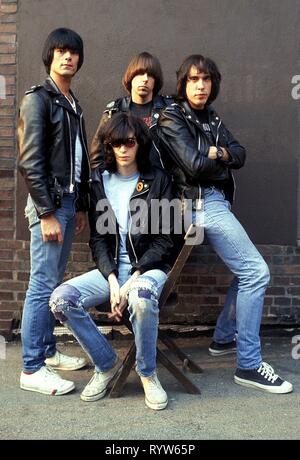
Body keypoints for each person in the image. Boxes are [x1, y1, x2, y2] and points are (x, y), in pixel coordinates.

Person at [157, 54, 293, 394]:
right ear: (183, 83)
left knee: (246, 272)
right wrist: (219, 156)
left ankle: (223, 337)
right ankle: (249, 365)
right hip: (197, 203)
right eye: (193, 80)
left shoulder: (212, 118)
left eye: (206, 80)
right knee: (256, 273)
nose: (200, 86)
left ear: (213, 84)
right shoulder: (172, 116)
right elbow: (193, 166)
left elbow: (241, 153)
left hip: (214, 201)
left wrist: (218, 154)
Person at [49, 112, 174, 410]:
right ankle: (106, 363)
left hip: (148, 270)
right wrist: (113, 280)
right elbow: (100, 240)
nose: (123, 148)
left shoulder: (158, 181)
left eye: (129, 141)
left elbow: (166, 240)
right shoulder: (99, 182)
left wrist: (132, 279)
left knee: (141, 297)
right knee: (61, 299)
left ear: (139, 144)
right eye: (116, 142)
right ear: (109, 145)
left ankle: (147, 373)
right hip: (113, 273)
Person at [18, 28, 91, 396]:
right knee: (42, 284)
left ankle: (47, 352)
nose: (68, 57)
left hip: (66, 201)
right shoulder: (39, 99)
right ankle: (31, 368)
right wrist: (47, 212)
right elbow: (30, 161)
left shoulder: (71, 102)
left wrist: (77, 206)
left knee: (52, 283)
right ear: (50, 55)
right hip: (49, 204)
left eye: (73, 52)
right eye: (61, 51)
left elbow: (75, 161)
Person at [90, 51, 172, 170]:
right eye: (140, 74)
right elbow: (97, 158)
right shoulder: (114, 111)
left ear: (156, 81)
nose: (145, 79)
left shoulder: (168, 109)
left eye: (150, 75)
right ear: (131, 77)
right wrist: (107, 184)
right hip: (124, 183)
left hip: (160, 183)